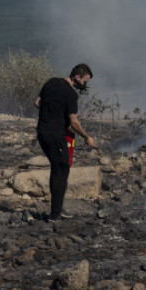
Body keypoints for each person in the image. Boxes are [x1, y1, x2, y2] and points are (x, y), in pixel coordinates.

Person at [35, 63, 97, 220]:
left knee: (58, 168)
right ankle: (55, 215)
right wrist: (87, 137)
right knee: (61, 171)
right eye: (85, 81)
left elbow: (37, 103)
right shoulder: (70, 94)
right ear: (77, 77)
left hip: (42, 133)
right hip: (56, 136)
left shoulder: (51, 82)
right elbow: (74, 122)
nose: (85, 85)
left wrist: (51, 113)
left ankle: (56, 211)